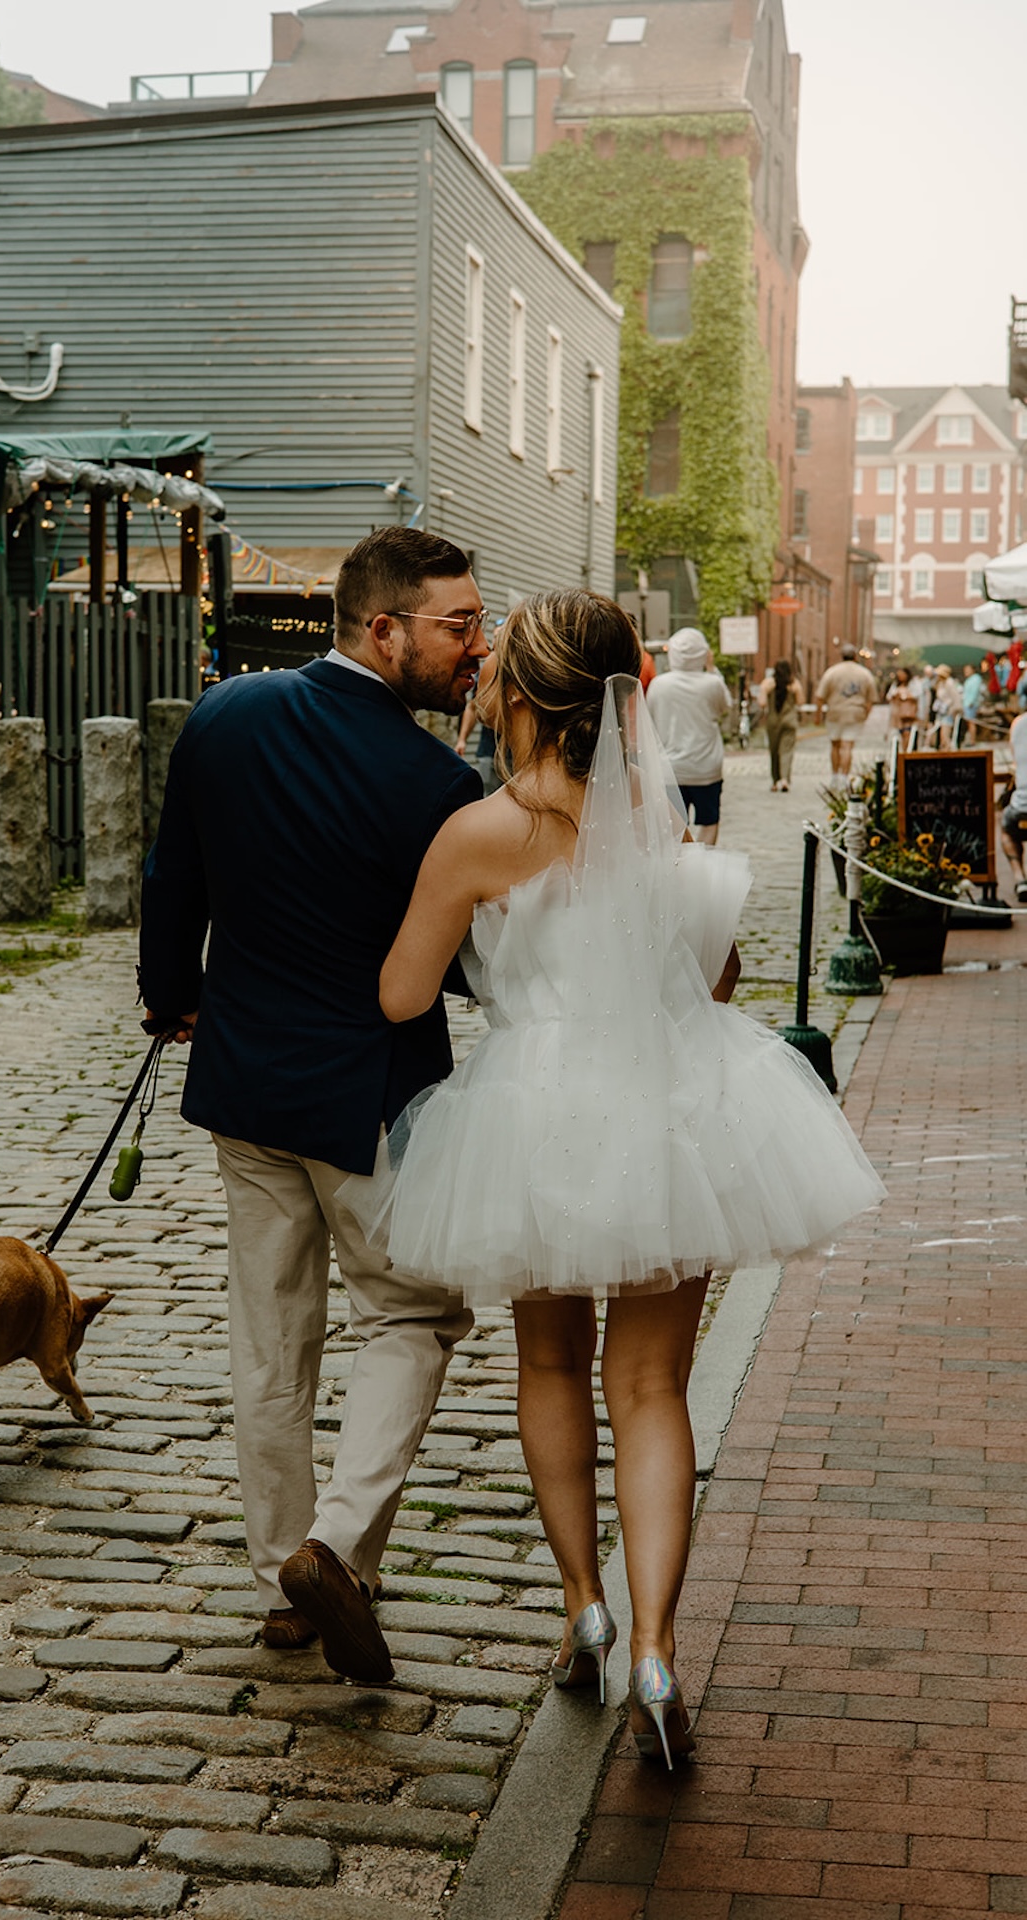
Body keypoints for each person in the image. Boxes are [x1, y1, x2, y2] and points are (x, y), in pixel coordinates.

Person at [344, 590, 885, 1767]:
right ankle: (653, 1646)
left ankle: (580, 1606)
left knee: (549, 1364)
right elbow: (719, 978)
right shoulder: (661, 834)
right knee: (652, 1392)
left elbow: (396, 994)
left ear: (525, 702)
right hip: (675, 1111)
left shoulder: (479, 834)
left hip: (533, 1118)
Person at [139, 526, 487, 1685]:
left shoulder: (222, 716)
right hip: (373, 1099)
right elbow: (455, 966)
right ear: (380, 628)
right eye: (456, 626)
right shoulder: (436, 783)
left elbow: (171, 880)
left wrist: (169, 1001)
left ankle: (282, 1576)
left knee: (268, 1341)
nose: (474, 648)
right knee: (412, 1317)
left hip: (242, 1078)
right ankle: (333, 1549)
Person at [644, 627, 731, 843]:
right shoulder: (713, 684)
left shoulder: (659, 685)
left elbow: (650, 717)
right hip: (706, 768)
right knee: (709, 821)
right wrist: (710, 669)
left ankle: (678, 869)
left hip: (670, 770)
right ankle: (703, 866)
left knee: (672, 829)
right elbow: (725, 707)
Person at [814, 643, 877, 787]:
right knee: (847, 745)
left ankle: (835, 775)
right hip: (855, 713)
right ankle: (844, 776)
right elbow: (871, 698)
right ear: (855, 656)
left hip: (835, 712)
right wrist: (866, 713)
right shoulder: (864, 673)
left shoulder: (832, 672)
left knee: (835, 745)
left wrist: (818, 715)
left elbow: (820, 696)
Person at [759, 658, 803, 790]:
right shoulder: (794, 684)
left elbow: (762, 703)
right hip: (789, 720)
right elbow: (800, 702)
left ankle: (775, 781)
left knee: (774, 751)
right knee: (787, 750)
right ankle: (785, 779)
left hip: (773, 721)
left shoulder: (767, 683)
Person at [999, 711, 1027, 903]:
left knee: (1006, 828)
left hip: (1022, 806)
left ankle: (1020, 878)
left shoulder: (1017, 724)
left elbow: (1016, 761)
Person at [930, 663, 962, 747]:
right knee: (942, 736)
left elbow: (955, 698)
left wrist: (955, 710)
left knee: (945, 735)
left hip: (948, 712)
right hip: (941, 711)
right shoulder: (941, 684)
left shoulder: (949, 683)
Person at [886, 664, 920, 742]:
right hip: (898, 711)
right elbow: (889, 695)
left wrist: (905, 696)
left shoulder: (913, 684)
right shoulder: (895, 685)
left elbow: (916, 695)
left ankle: (906, 751)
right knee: (900, 732)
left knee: (907, 732)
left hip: (908, 711)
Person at [961, 662, 986, 743]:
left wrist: (970, 702)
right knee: (969, 722)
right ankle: (970, 739)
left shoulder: (976, 679)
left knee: (971, 722)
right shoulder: (969, 679)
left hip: (970, 704)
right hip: (966, 703)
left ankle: (972, 740)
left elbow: (974, 692)